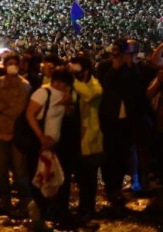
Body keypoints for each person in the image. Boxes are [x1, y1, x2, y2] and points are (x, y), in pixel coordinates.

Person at [97, 40, 151, 212]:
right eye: (113, 51)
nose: (116, 55)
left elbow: (138, 88)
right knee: (109, 156)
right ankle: (111, 188)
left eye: (119, 52)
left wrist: (130, 65)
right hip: (110, 119)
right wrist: (116, 67)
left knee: (122, 156)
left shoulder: (134, 68)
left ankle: (118, 188)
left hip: (128, 120)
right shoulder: (105, 67)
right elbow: (104, 85)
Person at [25, 69, 74, 225]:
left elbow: (66, 116)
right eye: (64, 84)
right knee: (40, 176)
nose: (65, 88)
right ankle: (38, 212)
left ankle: (50, 211)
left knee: (52, 176)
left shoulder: (63, 96)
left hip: (54, 145)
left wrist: (67, 104)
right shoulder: (43, 93)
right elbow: (30, 115)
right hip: (40, 144)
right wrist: (41, 136)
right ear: (58, 82)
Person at [0, 53, 31, 214]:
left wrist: (2, 107)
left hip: (17, 134)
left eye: (14, 63)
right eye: (9, 63)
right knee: (1, 169)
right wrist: (7, 105)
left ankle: (25, 201)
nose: (12, 66)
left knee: (20, 170)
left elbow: (18, 109)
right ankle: (4, 200)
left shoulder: (24, 85)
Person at [69, 55, 103, 222]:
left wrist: (74, 81)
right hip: (77, 135)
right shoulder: (77, 86)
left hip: (91, 136)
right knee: (81, 176)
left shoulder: (94, 86)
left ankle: (88, 208)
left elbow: (89, 95)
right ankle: (82, 206)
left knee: (89, 176)